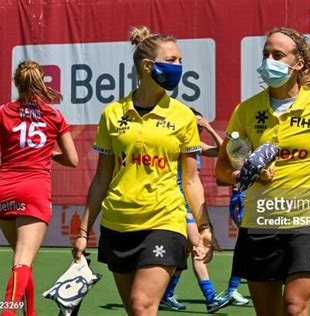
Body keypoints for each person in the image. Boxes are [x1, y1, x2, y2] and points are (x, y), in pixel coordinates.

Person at [215, 27, 310, 316]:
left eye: (278, 55)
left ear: (299, 64)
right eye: (266, 54)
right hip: (259, 223)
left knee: (295, 307)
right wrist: (249, 173)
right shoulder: (246, 110)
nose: (269, 59)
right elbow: (222, 171)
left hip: (306, 222)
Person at [72, 26, 214, 315]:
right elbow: (101, 178)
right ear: (148, 66)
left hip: (164, 220)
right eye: (173, 60)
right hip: (117, 224)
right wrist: (83, 230)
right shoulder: (112, 113)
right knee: (135, 310)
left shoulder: (183, 115)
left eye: (180, 60)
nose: (179, 67)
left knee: (142, 305)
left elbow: (191, 179)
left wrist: (204, 227)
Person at [0, 60, 78, 316]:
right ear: (41, 83)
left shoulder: (1, 111)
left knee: (22, 261)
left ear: (16, 84)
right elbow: (73, 160)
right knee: (23, 261)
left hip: (2, 191)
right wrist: (49, 155)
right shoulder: (54, 116)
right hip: (34, 191)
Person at [160, 109, 234, 313]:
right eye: (195, 124)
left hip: (191, 204)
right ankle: (211, 300)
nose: (198, 127)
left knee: (185, 252)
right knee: (200, 249)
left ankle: (165, 296)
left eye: (199, 124)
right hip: (177, 203)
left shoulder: (196, 145)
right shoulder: (176, 143)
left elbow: (223, 152)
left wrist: (210, 128)